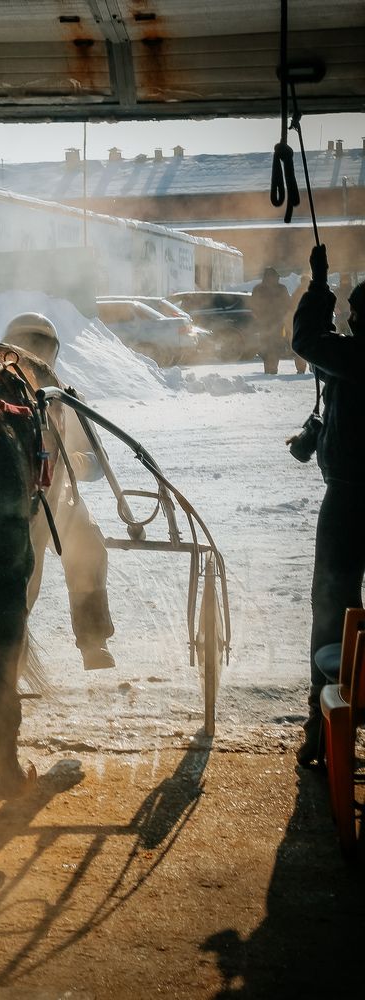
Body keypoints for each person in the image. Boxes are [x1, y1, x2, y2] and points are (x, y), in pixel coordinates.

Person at [2, 312, 115, 670]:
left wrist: (76, 463)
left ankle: (92, 640)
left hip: (60, 499)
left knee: (88, 546)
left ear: (52, 354)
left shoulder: (65, 397)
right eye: (22, 345)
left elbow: (98, 461)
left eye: (39, 347)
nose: (30, 353)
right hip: (3, 499)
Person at [291, 245, 365, 766]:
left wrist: (319, 285)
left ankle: (324, 722)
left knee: (333, 606)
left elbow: (305, 340)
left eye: (354, 316)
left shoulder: (354, 356)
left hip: (350, 499)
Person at [251, 267, 291, 374]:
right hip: (277, 322)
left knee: (266, 345)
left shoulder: (258, 288)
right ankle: (273, 368)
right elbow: (288, 305)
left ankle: (269, 368)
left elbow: (253, 306)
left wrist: (258, 317)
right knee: (275, 345)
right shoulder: (281, 288)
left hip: (265, 323)